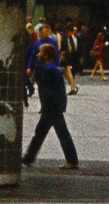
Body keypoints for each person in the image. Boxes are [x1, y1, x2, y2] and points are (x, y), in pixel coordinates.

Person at [22, 42, 78, 170]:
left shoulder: (49, 69)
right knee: (44, 133)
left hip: (51, 108)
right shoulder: (52, 67)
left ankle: (72, 160)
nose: (38, 54)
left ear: (46, 55)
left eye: (41, 52)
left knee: (56, 133)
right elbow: (60, 89)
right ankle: (29, 157)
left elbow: (50, 90)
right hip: (54, 107)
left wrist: (48, 105)